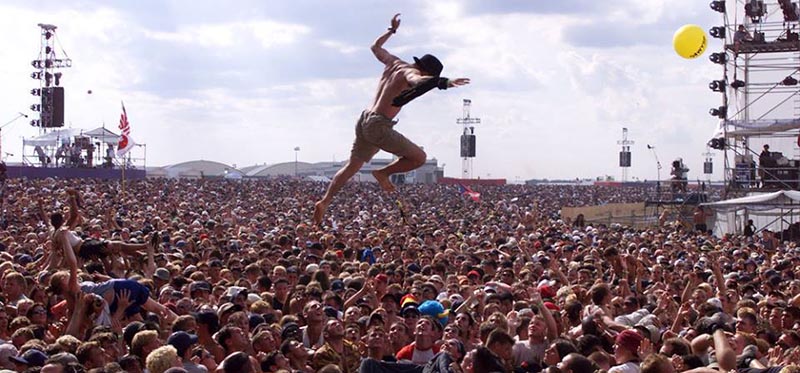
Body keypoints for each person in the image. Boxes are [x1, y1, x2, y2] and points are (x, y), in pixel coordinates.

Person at [313, 13, 469, 225]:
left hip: (365, 118)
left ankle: (325, 201)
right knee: (419, 158)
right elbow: (417, 81)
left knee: (352, 166)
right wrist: (445, 82)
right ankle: (383, 173)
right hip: (378, 125)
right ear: (427, 71)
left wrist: (391, 30)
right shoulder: (410, 74)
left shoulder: (394, 63)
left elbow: (375, 47)